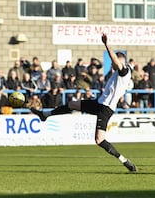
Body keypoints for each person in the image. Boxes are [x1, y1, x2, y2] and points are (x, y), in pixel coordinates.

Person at [30, 33, 137, 172]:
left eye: (114, 61)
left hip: (105, 109)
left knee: (99, 140)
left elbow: (116, 60)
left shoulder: (124, 71)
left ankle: (125, 161)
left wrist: (106, 44)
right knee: (72, 104)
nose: (112, 64)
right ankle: (45, 114)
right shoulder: (119, 73)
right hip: (99, 103)